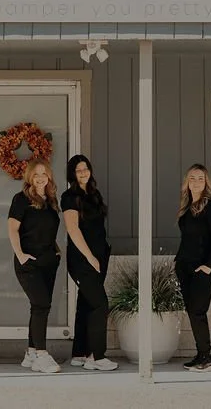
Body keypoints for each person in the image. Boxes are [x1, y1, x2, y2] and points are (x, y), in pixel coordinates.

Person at [61, 154, 118, 371]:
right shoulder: (69, 197)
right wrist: (90, 257)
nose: (83, 173)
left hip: (99, 257)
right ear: (72, 174)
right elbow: (73, 229)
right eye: (78, 170)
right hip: (82, 260)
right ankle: (97, 356)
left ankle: (80, 353)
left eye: (85, 168)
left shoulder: (94, 194)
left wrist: (99, 256)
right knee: (100, 304)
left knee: (86, 302)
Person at [8, 159, 62, 373]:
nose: (40, 178)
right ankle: (41, 355)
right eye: (36, 174)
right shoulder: (21, 199)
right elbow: (12, 229)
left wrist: (56, 250)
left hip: (49, 261)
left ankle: (31, 353)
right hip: (29, 262)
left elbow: (48, 229)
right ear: (29, 176)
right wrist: (20, 255)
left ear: (49, 176)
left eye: (44, 173)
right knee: (42, 305)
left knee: (38, 306)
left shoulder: (51, 200)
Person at [175, 163, 211, 372]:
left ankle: (207, 357)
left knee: (198, 311)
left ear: (206, 183)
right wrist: (178, 262)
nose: (196, 182)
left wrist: (208, 266)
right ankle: (201, 354)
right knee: (192, 311)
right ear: (187, 182)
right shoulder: (187, 206)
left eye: (200, 178)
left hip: (203, 268)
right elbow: (187, 239)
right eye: (192, 178)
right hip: (185, 267)